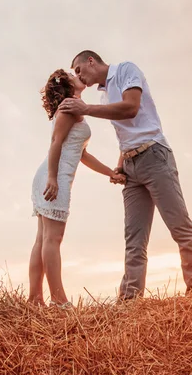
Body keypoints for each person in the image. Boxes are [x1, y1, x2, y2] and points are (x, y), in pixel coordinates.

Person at [58, 50, 192, 300]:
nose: (79, 76)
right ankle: (129, 302)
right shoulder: (105, 92)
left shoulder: (127, 70)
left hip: (154, 156)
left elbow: (130, 109)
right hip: (130, 165)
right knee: (134, 240)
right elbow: (125, 133)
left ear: (91, 61)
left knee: (179, 226)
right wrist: (120, 164)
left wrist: (87, 108)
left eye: (78, 70)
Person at [29, 69, 126, 308]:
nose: (78, 75)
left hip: (54, 176)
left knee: (44, 239)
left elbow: (82, 154)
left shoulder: (75, 107)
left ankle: (34, 300)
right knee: (53, 238)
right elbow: (56, 143)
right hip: (54, 177)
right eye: (73, 74)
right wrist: (53, 178)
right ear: (66, 84)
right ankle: (59, 301)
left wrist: (111, 173)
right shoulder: (69, 106)